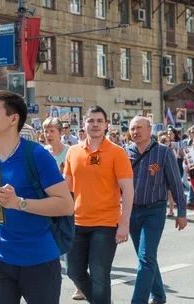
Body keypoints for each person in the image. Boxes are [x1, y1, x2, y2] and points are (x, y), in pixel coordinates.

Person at [0, 90, 74, 303]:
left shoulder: (36, 155)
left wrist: (19, 203)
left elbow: (66, 206)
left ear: (14, 119)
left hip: (39, 261)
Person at [64, 105, 134, 304]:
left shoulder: (117, 152)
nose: (95, 125)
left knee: (100, 275)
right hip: (76, 222)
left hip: (105, 223)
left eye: (99, 121)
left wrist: (124, 224)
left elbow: (128, 190)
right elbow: (66, 188)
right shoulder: (73, 152)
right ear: (84, 124)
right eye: (91, 121)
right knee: (74, 271)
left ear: (106, 125)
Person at [126, 116, 187, 304]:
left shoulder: (163, 152)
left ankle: (138, 301)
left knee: (146, 258)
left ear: (149, 129)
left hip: (154, 210)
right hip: (131, 212)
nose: (136, 131)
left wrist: (181, 213)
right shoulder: (124, 152)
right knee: (147, 257)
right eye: (132, 128)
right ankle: (159, 295)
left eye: (139, 128)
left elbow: (176, 183)